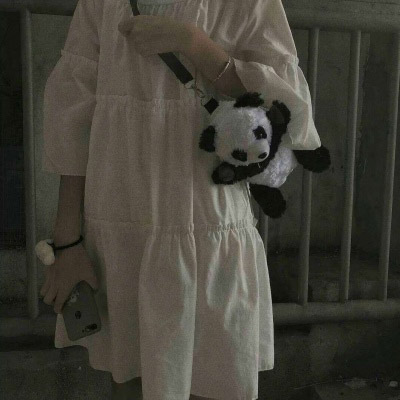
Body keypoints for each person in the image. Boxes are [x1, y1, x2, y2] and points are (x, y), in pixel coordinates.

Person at [40, 0, 322, 399]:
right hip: (119, 221)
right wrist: (67, 243)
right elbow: (72, 112)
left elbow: (290, 107)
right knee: (130, 379)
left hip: (209, 225)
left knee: (214, 378)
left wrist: (195, 44)